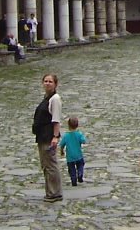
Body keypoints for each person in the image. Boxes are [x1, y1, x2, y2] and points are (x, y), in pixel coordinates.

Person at [32, 73, 63, 202]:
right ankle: (50, 191)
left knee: (50, 165)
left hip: (48, 136)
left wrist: (55, 137)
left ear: (55, 84)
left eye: (50, 81)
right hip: (42, 136)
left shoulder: (55, 99)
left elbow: (56, 119)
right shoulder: (47, 98)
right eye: (45, 81)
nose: (47, 83)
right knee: (46, 165)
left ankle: (54, 192)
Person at [59, 115, 87, 186]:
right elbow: (84, 141)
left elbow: (62, 144)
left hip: (70, 157)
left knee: (71, 169)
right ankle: (80, 174)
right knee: (80, 165)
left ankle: (73, 180)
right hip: (78, 155)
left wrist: (61, 151)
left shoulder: (66, 136)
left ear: (68, 125)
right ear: (77, 125)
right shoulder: (79, 134)